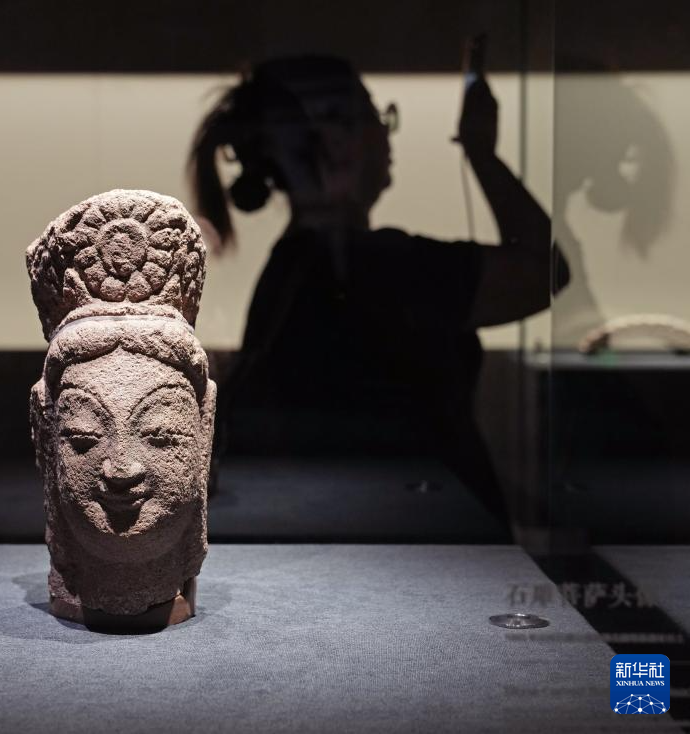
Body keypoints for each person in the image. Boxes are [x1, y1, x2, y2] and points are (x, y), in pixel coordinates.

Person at [188, 56, 570, 529]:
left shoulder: (293, 266)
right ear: (336, 139)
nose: (386, 135)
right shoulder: (378, 268)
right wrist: (481, 152)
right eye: (375, 115)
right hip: (417, 536)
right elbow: (544, 273)